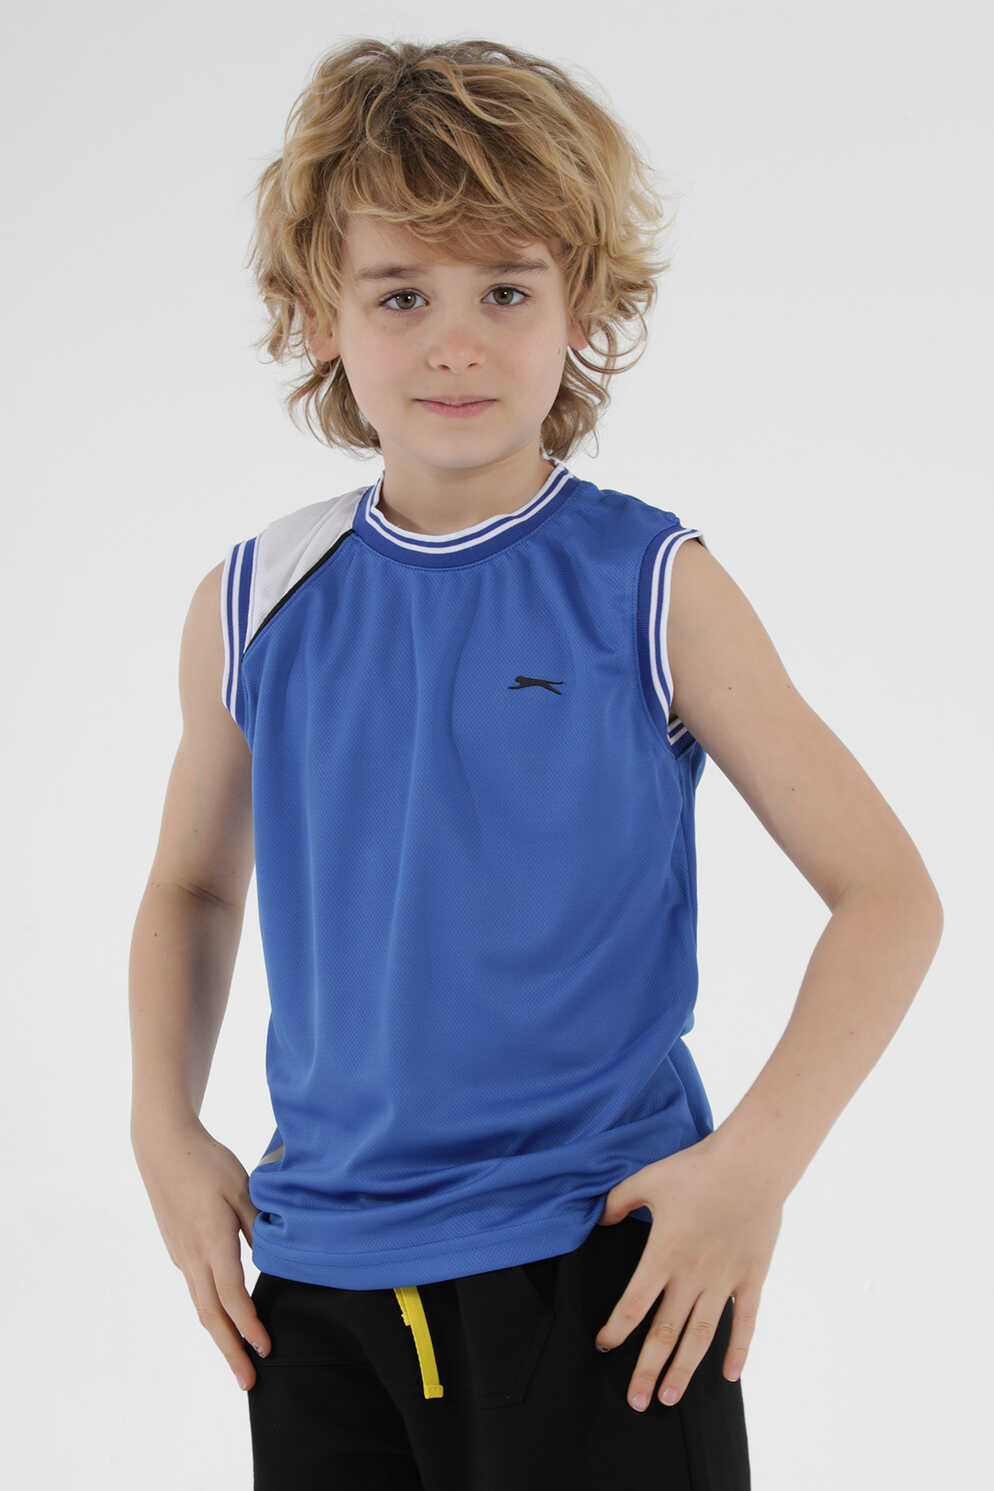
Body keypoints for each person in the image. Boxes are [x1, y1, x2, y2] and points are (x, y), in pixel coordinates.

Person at [129, 36, 944, 1491]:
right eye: (402, 294)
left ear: (583, 305)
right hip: (315, 1289)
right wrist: (161, 1126)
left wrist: (752, 1171)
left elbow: (888, 896)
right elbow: (193, 888)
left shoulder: (652, 584)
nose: (456, 341)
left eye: (505, 290)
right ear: (318, 315)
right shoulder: (252, 602)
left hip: (604, 1274)